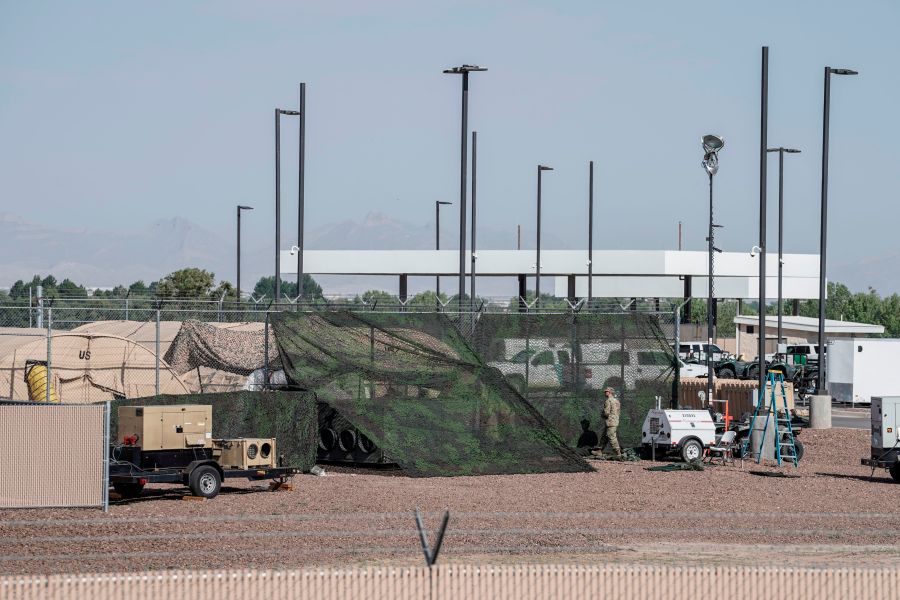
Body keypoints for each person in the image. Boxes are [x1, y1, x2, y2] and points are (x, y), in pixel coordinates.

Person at [597, 386, 622, 457]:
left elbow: (606, 413)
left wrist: (603, 415)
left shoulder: (608, 400)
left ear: (610, 392)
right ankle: (599, 451)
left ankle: (618, 453)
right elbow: (618, 412)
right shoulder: (616, 401)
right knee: (604, 436)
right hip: (614, 421)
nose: (605, 392)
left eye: (606, 391)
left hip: (610, 421)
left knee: (611, 436)